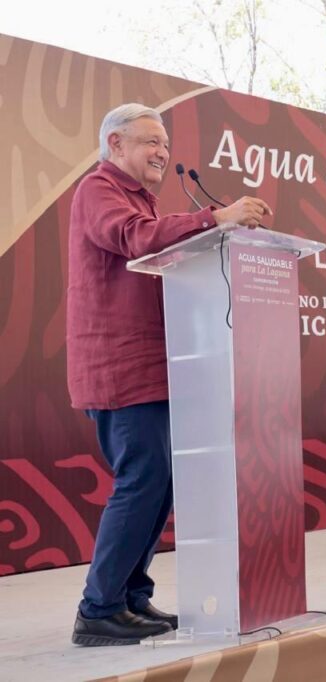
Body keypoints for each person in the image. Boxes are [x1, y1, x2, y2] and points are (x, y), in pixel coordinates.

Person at [68, 103, 272, 646]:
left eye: (165, 142)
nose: (163, 151)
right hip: (121, 365)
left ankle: (130, 597)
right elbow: (134, 238)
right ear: (115, 145)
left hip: (162, 365)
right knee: (143, 479)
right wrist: (214, 218)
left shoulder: (144, 200)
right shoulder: (98, 189)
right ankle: (98, 608)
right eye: (150, 141)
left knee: (161, 483)